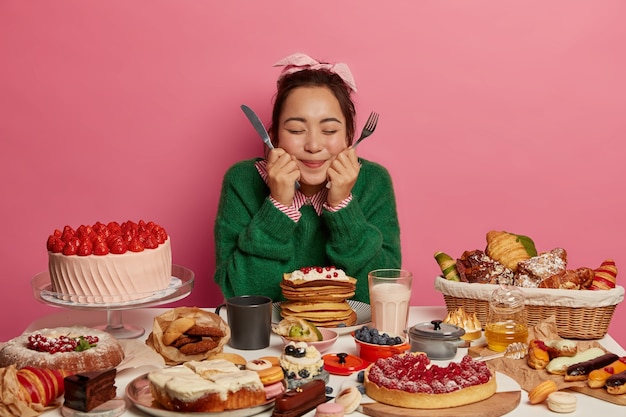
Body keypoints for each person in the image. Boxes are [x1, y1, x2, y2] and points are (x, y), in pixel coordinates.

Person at [214, 52, 401, 303]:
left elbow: (383, 294)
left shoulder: (374, 181)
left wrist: (343, 206)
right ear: (275, 136)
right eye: (296, 130)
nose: (313, 145)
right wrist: (278, 207)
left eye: (329, 130)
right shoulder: (242, 180)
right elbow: (242, 295)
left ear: (348, 136)